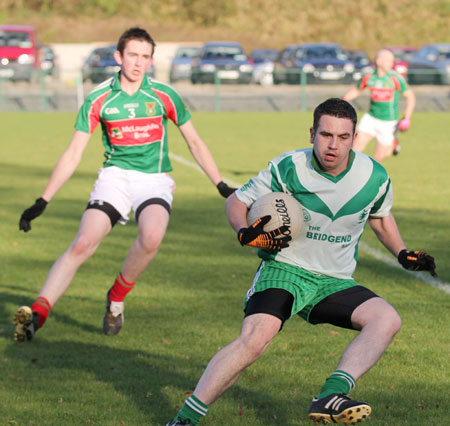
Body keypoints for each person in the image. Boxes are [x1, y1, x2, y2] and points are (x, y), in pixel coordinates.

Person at [166, 98, 436, 425]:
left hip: (333, 281)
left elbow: (379, 217)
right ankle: (185, 419)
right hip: (285, 268)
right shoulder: (289, 167)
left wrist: (402, 253)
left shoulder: (374, 176)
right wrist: (244, 233)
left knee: (387, 320)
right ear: (312, 134)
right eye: (326, 135)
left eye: (343, 137)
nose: (333, 145)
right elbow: (237, 201)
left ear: (354, 137)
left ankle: (331, 396)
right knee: (255, 341)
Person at [13, 27, 235, 342]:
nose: (138, 63)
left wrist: (220, 184)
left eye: (145, 57)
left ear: (151, 60)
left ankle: (116, 298)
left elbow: (195, 141)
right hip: (114, 177)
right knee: (82, 243)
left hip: (154, 179)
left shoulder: (164, 95)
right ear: (119, 57)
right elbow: (74, 153)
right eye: (133, 55)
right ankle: (38, 313)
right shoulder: (99, 98)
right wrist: (43, 199)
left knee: (152, 236)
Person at [343, 48, 415, 162]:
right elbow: (356, 90)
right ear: (378, 61)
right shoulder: (369, 77)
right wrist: (343, 100)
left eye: (392, 61)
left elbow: (410, 96)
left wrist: (407, 117)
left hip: (389, 122)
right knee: (354, 150)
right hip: (371, 118)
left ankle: (393, 143)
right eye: (388, 61)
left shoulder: (395, 78)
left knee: (378, 158)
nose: (391, 64)